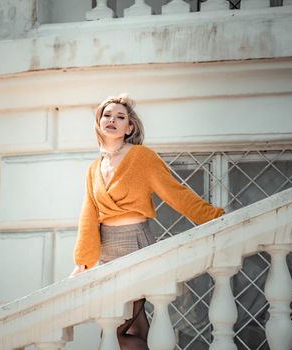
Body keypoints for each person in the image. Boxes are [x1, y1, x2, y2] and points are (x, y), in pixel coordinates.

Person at [70, 94, 224, 349]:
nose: (112, 120)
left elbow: (176, 192)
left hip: (136, 243)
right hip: (108, 251)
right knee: (135, 328)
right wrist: (83, 262)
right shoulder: (93, 169)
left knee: (115, 333)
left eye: (121, 117)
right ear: (99, 123)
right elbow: (89, 215)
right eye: (107, 115)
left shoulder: (143, 157)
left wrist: (213, 217)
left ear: (129, 128)